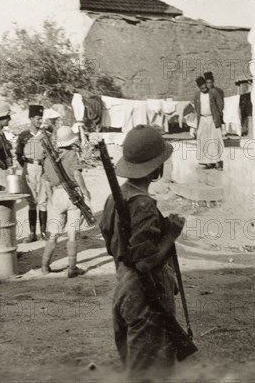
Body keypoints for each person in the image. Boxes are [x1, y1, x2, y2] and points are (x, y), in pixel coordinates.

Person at [99, 125, 184, 380]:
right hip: (146, 294)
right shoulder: (144, 205)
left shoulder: (115, 198)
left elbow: (109, 242)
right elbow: (146, 263)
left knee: (136, 366)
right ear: (156, 168)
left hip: (124, 288)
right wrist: (171, 234)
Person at [41, 126, 91, 278]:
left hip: (56, 194)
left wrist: (51, 199)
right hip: (71, 195)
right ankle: (72, 268)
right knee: (72, 233)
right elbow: (76, 173)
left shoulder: (50, 158)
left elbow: (46, 181)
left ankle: (44, 266)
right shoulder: (71, 155)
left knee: (54, 233)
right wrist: (85, 190)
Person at [16, 105, 49, 242]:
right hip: (28, 168)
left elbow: (50, 154)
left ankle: (43, 233)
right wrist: (26, 167)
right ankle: (31, 234)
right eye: (37, 118)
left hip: (42, 168)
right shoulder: (24, 135)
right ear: (30, 118)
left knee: (43, 201)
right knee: (31, 202)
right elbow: (18, 154)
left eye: (41, 118)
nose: (40, 121)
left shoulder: (46, 135)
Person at [194, 76, 224, 170]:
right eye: (202, 88)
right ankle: (208, 162)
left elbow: (220, 104)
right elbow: (196, 107)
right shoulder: (197, 95)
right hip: (202, 120)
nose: (204, 89)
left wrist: (217, 114)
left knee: (215, 140)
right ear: (199, 88)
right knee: (203, 140)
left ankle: (218, 162)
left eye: (205, 87)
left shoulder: (213, 92)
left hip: (212, 119)